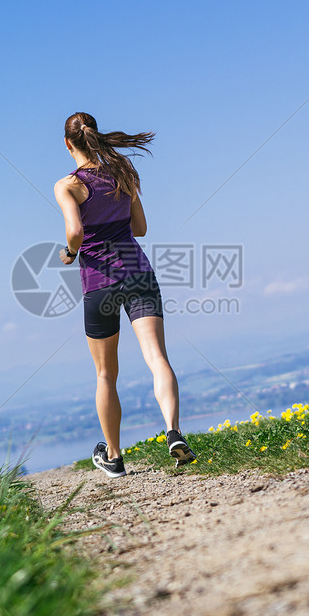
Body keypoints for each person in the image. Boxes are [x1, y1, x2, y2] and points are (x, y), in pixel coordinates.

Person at [54, 111, 197, 477]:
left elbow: (74, 232)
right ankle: (173, 432)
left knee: (105, 374)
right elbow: (141, 227)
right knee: (157, 357)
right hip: (138, 274)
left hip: (99, 284)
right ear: (95, 137)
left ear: (68, 143)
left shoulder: (67, 185)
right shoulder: (123, 173)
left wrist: (71, 253)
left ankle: (114, 457)